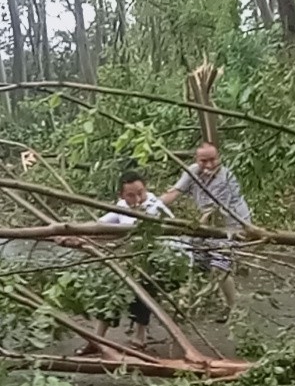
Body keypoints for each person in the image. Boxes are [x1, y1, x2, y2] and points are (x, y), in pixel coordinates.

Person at [59, 170, 181, 354]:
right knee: (112, 283)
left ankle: (139, 337)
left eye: (140, 192)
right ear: (122, 195)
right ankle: (97, 339)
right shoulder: (122, 206)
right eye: (131, 195)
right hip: (140, 258)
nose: (138, 198)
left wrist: (86, 239)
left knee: (141, 284)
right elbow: (100, 225)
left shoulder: (154, 207)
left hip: (170, 264)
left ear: (146, 189)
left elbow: (127, 232)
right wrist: (70, 232)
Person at [160, 143, 252, 317]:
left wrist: (190, 229)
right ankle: (208, 300)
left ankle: (233, 309)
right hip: (209, 227)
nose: (209, 165)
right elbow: (173, 193)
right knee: (194, 261)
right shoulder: (193, 171)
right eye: (204, 161)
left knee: (219, 266)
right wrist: (148, 207)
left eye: (213, 160)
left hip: (232, 227)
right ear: (197, 160)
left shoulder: (225, 178)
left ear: (219, 158)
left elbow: (212, 212)